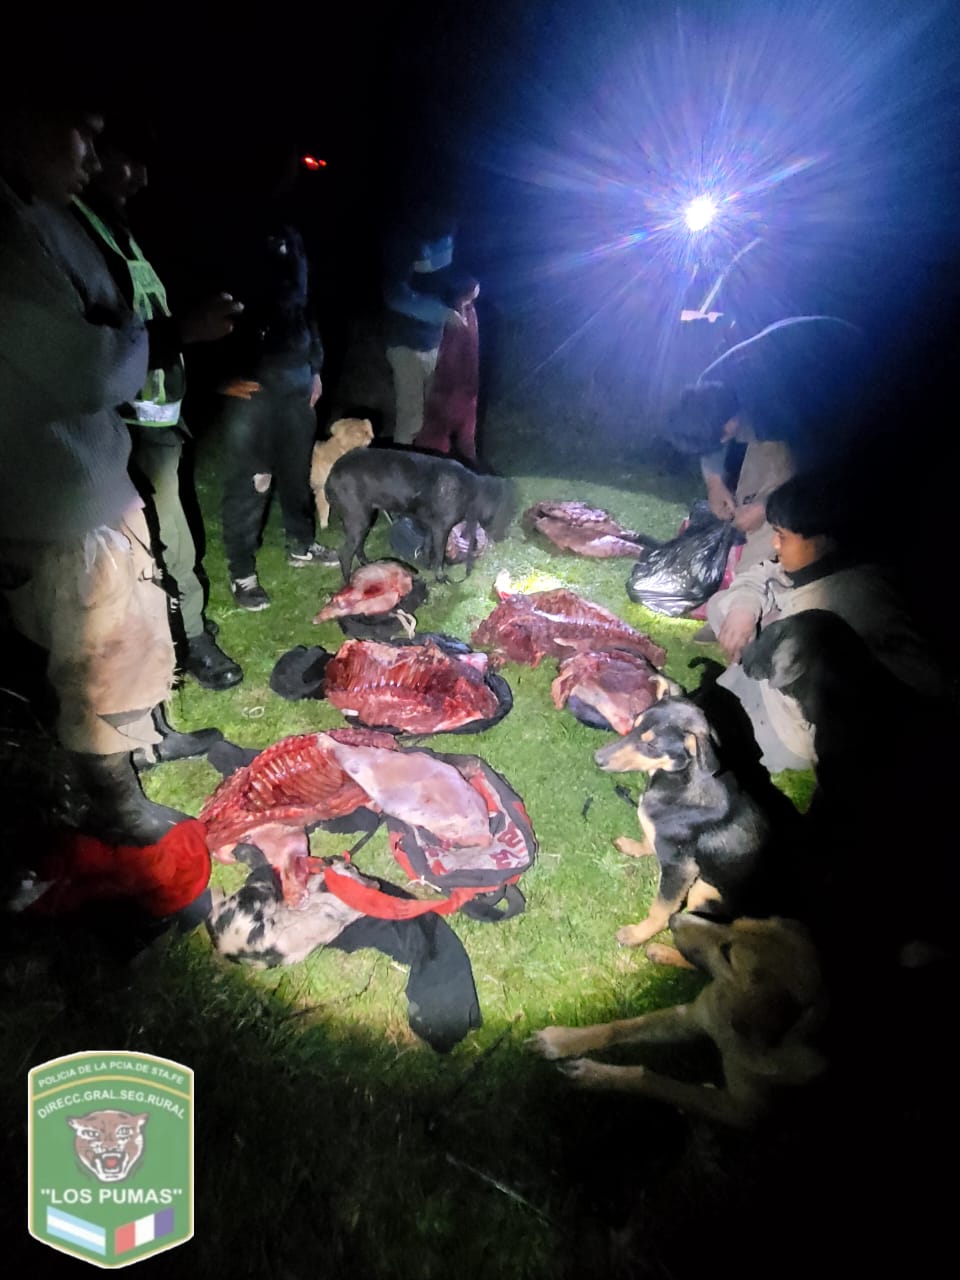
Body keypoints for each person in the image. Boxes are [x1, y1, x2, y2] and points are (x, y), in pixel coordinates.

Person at [0, 97, 194, 844]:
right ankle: (113, 801)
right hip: (54, 492)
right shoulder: (8, 235)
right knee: (98, 656)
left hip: (93, 474)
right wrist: (166, 334)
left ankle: (146, 736)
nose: (90, 152)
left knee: (135, 624)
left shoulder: (45, 213)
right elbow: (82, 370)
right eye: (80, 132)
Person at [74, 122, 245, 690]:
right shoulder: (70, 232)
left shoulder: (119, 230)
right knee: (143, 541)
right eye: (129, 162)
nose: (141, 178)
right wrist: (183, 332)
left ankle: (186, 630)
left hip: (158, 417)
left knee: (172, 532)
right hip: (114, 424)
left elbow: (149, 316)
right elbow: (94, 346)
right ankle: (178, 640)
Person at [704, 472, 946, 773]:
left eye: (782, 536)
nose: (775, 545)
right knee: (724, 606)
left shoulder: (859, 602)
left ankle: (753, 703)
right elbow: (764, 572)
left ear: (821, 542)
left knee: (721, 728)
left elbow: (917, 686)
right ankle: (745, 673)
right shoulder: (813, 563)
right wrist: (744, 609)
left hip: (792, 725)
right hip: (785, 663)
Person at [216, 142, 336, 612]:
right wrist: (219, 373)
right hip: (253, 381)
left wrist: (316, 366)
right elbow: (202, 301)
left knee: (295, 469)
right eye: (285, 169)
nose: (293, 178)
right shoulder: (229, 228)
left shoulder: (292, 233)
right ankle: (242, 571)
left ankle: (301, 544)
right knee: (253, 479)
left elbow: (307, 306)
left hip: (297, 374)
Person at [382, 205, 467, 446]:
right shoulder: (402, 245)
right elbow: (396, 296)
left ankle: (423, 462)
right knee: (411, 419)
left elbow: (450, 277)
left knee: (431, 413)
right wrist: (443, 314)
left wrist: (469, 288)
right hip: (405, 344)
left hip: (433, 342)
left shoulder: (448, 239)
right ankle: (400, 462)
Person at [413, 271, 480, 459]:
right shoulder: (448, 316)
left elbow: (471, 349)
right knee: (437, 433)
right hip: (448, 386)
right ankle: (430, 461)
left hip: (464, 386)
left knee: (465, 435)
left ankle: (468, 466)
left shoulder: (469, 313)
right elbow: (447, 351)